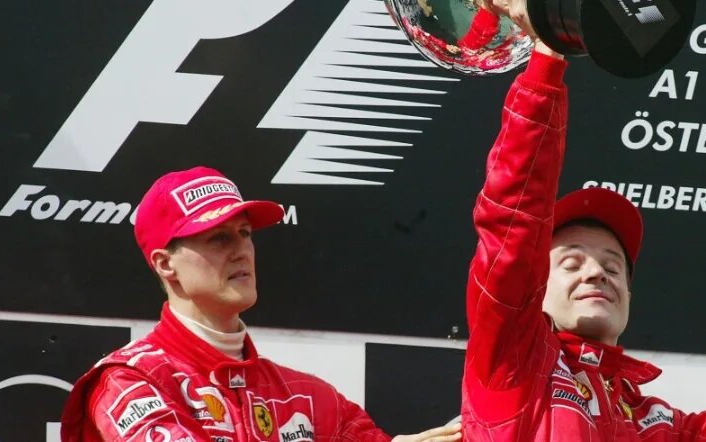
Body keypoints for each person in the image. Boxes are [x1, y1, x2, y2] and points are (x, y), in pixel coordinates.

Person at [458, 0, 706, 442]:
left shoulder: (660, 424)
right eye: (571, 262)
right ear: (536, 289)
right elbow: (514, 222)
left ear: (629, 297)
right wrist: (547, 58)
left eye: (613, 267)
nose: (597, 273)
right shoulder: (513, 363)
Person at [61, 166, 462, 442]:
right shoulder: (129, 382)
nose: (241, 251)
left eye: (245, 233)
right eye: (218, 238)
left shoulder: (306, 396)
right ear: (166, 264)